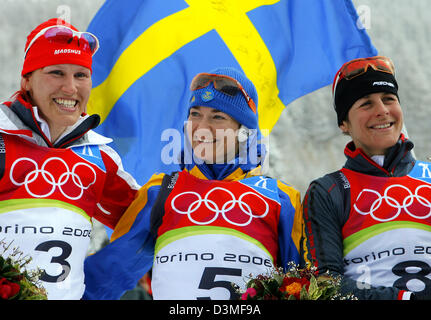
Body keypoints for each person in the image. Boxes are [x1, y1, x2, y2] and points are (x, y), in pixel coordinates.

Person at [83, 67, 305, 300]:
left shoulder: (280, 198)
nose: (202, 127)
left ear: (244, 132)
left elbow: (300, 285)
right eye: (195, 114)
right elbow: (111, 271)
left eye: (218, 117)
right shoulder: (161, 191)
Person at [0, 18, 139, 299]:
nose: (70, 88)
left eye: (81, 75)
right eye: (56, 73)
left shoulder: (101, 158)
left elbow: (151, 225)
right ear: (26, 80)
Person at [302, 56, 431, 300]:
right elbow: (324, 285)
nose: (382, 111)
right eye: (366, 104)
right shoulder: (329, 190)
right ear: (343, 124)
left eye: (388, 99)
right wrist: (403, 298)